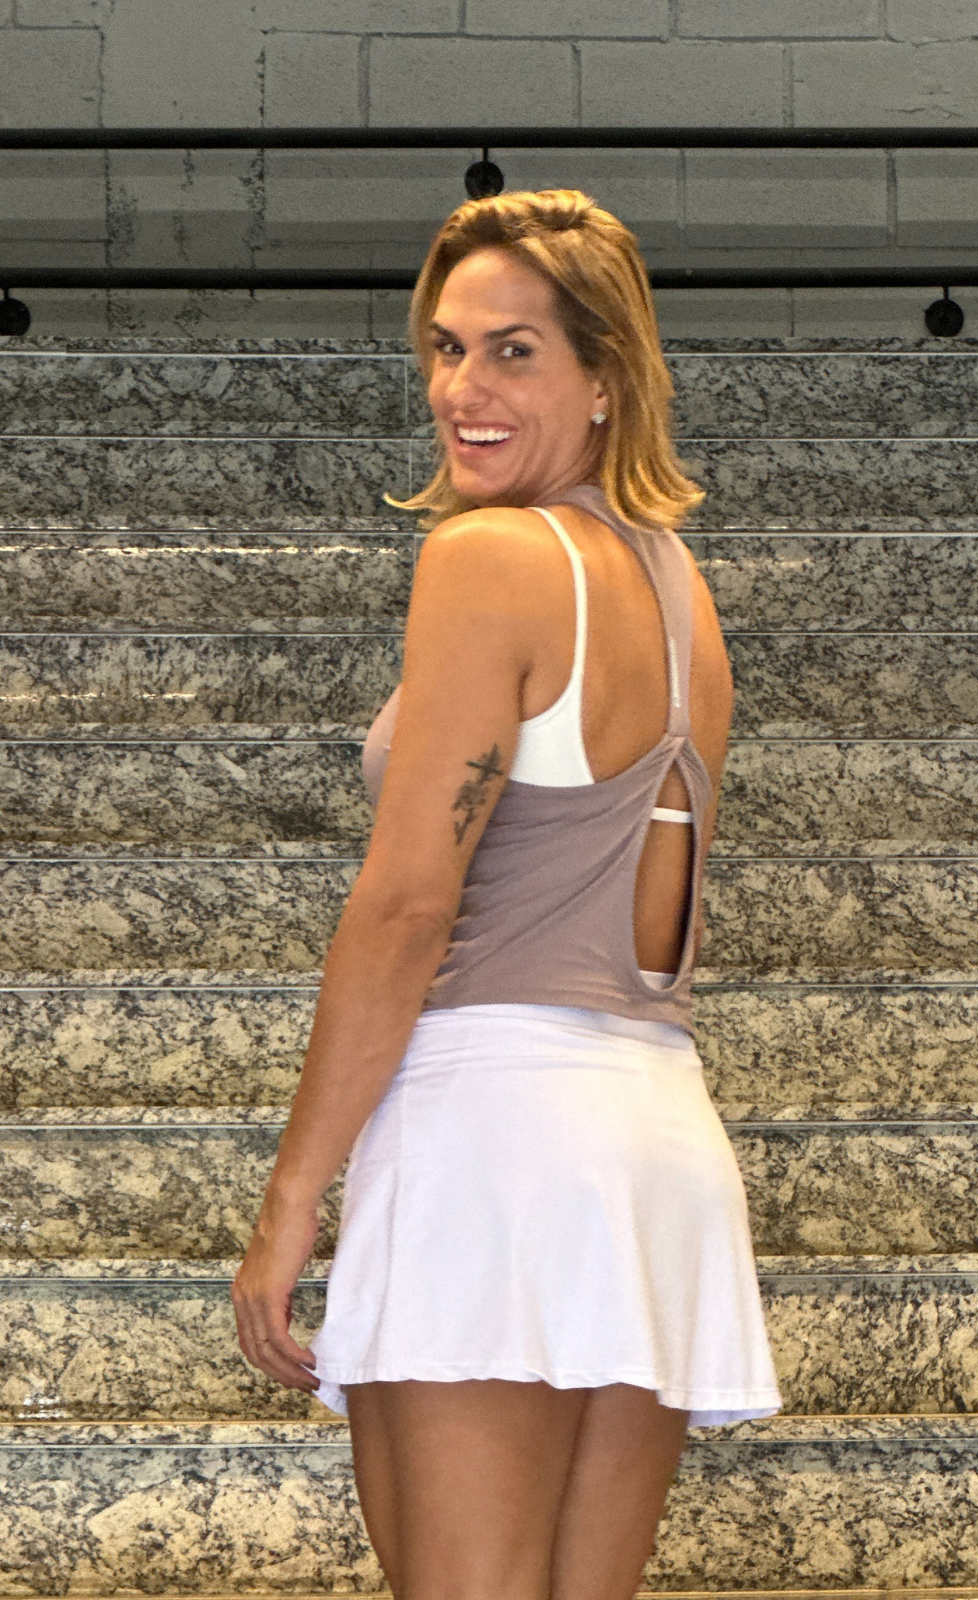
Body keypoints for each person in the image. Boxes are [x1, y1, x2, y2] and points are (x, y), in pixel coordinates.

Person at [232, 188, 781, 1600]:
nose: (460, 388)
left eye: (512, 352)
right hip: (650, 1137)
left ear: (606, 378)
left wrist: (292, 1197)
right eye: (445, 347)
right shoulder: (678, 588)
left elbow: (407, 908)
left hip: (495, 1134)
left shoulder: (490, 559)